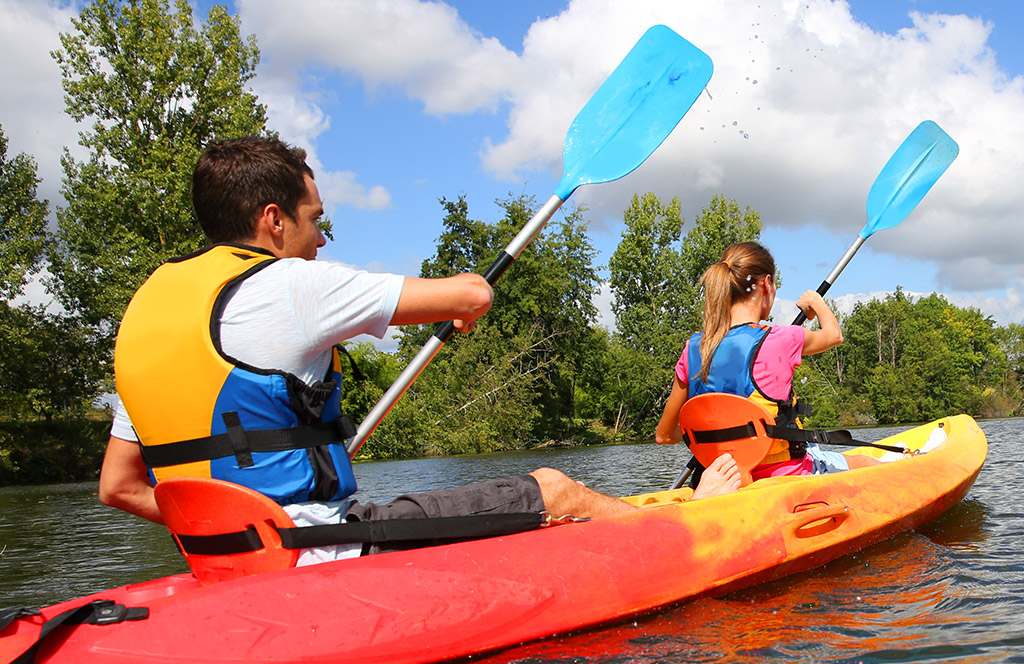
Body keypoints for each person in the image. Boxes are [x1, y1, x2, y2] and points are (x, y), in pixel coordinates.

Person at [99, 136, 740, 565]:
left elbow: (119, 487)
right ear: (274, 220)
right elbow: (470, 295)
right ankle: (686, 528)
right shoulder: (289, 283)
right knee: (553, 489)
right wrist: (463, 305)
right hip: (318, 550)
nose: (321, 237)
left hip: (227, 563)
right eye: (315, 218)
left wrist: (235, 534)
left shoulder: (149, 313)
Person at [655, 241, 885, 481]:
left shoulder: (693, 349)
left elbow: (666, 435)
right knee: (869, 463)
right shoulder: (782, 338)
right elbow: (834, 335)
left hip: (722, 481)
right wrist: (816, 302)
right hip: (787, 475)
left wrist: (719, 435)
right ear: (766, 283)